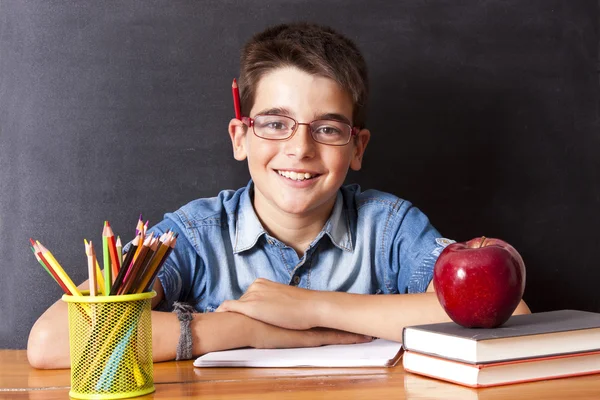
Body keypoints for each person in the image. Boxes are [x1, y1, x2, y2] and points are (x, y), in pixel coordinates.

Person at [27, 22, 530, 369]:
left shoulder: (390, 227)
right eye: (274, 123)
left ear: (357, 147)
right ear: (239, 136)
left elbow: (507, 314)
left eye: (328, 129)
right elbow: (52, 340)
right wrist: (246, 331)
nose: (300, 149)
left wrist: (313, 309)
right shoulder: (195, 235)